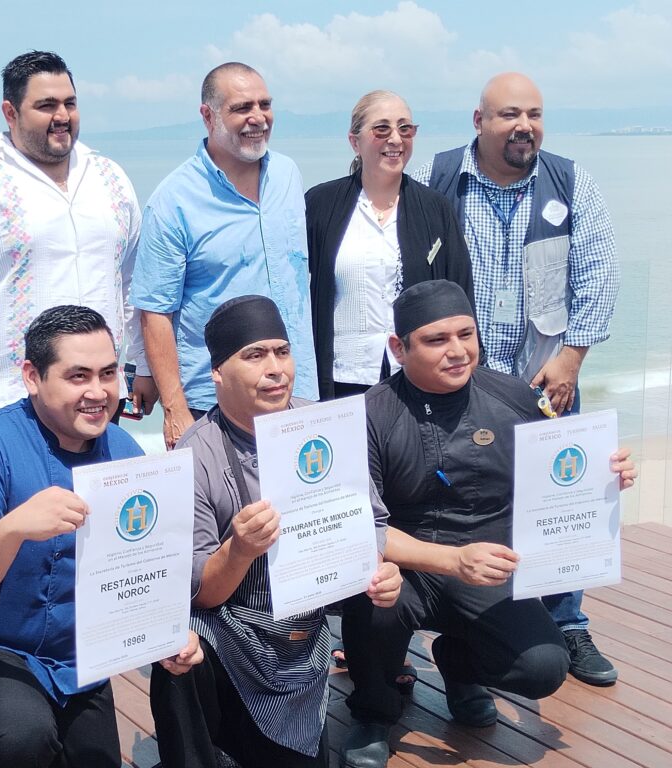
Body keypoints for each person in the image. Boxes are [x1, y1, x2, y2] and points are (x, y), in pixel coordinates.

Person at [337, 280, 636, 768]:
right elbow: (359, 525)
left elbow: (563, 473)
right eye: (436, 340)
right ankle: (372, 710)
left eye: (466, 334)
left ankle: (458, 664)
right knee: (373, 597)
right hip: (406, 566)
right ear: (399, 347)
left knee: (545, 666)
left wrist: (607, 475)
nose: (457, 352)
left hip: (489, 570)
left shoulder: (516, 398)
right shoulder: (370, 414)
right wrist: (452, 560)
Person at [411, 72, 621, 686]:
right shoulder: (438, 176)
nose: (523, 125)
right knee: (461, 501)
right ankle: (461, 629)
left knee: (559, 503)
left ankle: (568, 623)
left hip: (544, 381)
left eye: (532, 114)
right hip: (460, 384)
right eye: (508, 114)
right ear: (479, 121)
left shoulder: (572, 181)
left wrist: (573, 355)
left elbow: (599, 275)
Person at [0, 305, 202, 767]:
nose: (98, 393)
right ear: (32, 376)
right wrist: (13, 528)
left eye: (108, 374)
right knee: (20, 736)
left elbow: (143, 567)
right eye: (78, 376)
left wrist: (166, 636)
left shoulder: (125, 451)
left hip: (80, 664)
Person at [149, 294, 401, 768]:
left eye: (282, 352)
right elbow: (199, 591)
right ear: (217, 373)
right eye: (254, 355)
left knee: (391, 602)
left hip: (304, 629)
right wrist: (240, 550)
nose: (275, 369)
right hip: (231, 627)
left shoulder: (322, 426)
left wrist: (380, 568)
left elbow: (373, 524)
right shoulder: (195, 452)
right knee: (179, 655)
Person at [0, 50, 142, 431]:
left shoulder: (110, 178)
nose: (62, 116)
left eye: (70, 103)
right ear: (11, 112)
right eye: (46, 105)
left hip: (99, 396)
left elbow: (132, 282)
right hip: (5, 399)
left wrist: (137, 369)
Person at [129, 62, 318, 449]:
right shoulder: (173, 201)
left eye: (264, 105)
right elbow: (155, 313)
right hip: (215, 406)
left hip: (297, 394)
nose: (258, 118)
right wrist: (175, 409)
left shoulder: (288, 174)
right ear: (208, 115)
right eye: (241, 108)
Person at [306, 90, 474, 400]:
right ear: (354, 141)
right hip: (342, 379)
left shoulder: (435, 209)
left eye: (405, 128)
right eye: (381, 128)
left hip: (418, 379)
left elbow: (460, 295)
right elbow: (296, 294)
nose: (395, 139)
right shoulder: (319, 205)